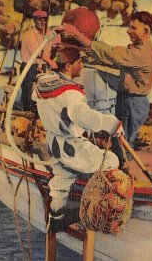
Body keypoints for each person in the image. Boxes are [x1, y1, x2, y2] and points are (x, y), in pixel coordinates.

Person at [33, 47, 123, 232]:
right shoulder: (70, 93)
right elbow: (84, 117)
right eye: (79, 63)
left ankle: (56, 217)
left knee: (62, 178)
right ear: (68, 66)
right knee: (111, 160)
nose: (82, 66)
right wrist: (111, 124)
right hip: (71, 144)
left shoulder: (45, 85)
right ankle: (97, 209)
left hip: (54, 143)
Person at [62, 11, 152, 156]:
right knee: (120, 140)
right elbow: (110, 59)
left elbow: (111, 54)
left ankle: (122, 174)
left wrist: (77, 35)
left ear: (145, 31)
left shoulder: (140, 53)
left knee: (123, 144)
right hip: (129, 101)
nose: (128, 31)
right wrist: (85, 51)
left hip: (132, 104)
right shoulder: (138, 48)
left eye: (133, 28)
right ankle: (120, 169)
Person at [20, 9, 58, 111]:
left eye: (44, 20)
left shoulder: (47, 33)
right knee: (29, 96)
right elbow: (37, 53)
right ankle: (27, 117)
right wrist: (51, 62)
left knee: (43, 94)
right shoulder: (28, 35)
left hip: (43, 67)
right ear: (34, 20)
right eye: (39, 20)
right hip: (29, 68)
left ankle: (39, 118)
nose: (43, 22)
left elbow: (56, 44)